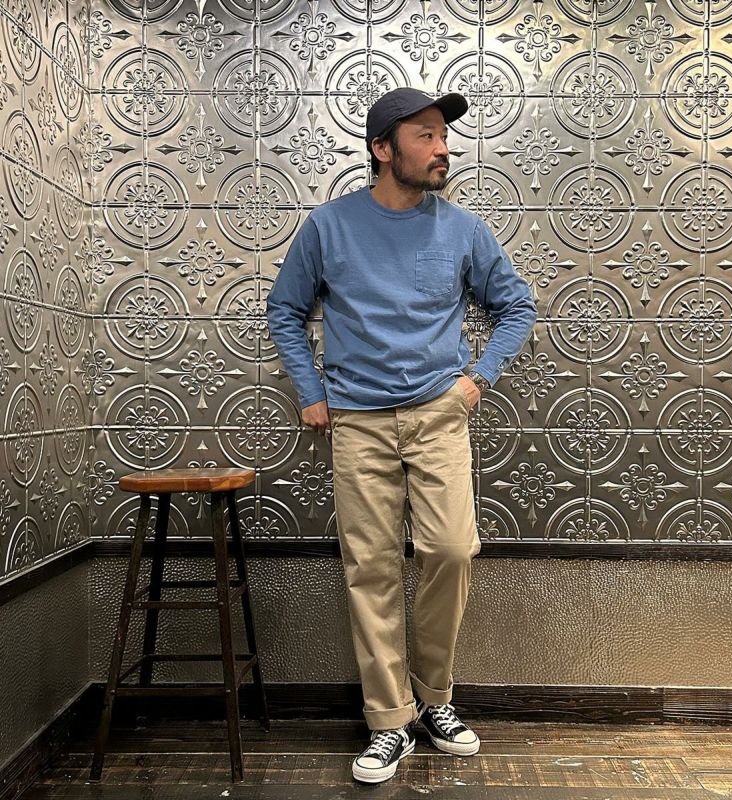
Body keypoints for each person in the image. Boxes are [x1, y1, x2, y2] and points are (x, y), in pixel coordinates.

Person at [266, 87, 537, 784]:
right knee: (372, 568)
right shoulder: (329, 227)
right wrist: (312, 392)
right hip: (356, 420)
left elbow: (516, 305)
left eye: (443, 135)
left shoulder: (463, 230)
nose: (443, 148)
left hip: (439, 414)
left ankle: (435, 699)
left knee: (450, 549)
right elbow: (285, 309)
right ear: (382, 149)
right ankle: (390, 720)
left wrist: (477, 380)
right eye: (426, 136)